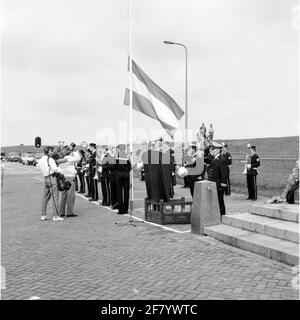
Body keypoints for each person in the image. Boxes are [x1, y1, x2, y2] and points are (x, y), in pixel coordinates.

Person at [37, 146, 64, 222]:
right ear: (48, 151)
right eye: (51, 151)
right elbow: (55, 169)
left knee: (45, 198)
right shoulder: (50, 159)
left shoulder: (40, 160)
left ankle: (43, 215)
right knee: (55, 197)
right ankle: (55, 216)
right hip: (52, 178)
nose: (52, 152)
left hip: (45, 178)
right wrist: (60, 170)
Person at [58, 143, 81, 217]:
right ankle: (69, 212)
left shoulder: (59, 159)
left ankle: (61, 212)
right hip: (70, 178)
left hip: (63, 177)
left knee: (63, 195)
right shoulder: (69, 158)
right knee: (71, 196)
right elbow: (78, 158)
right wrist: (74, 151)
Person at [207, 142, 228, 216]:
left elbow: (224, 175)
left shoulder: (221, 160)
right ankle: (217, 215)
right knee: (215, 201)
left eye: (212, 149)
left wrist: (222, 187)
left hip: (218, 185)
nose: (211, 151)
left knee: (220, 201)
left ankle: (222, 215)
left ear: (217, 150)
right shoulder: (215, 159)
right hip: (213, 184)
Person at [115, 144, 132, 214]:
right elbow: (130, 167)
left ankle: (121, 210)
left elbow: (114, 166)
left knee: (119, 193)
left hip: (119, 175)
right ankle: (126, 209)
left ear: (119, 149)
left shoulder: (116, 156)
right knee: (126, 192)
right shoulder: (127, 156)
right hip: (126, 175)